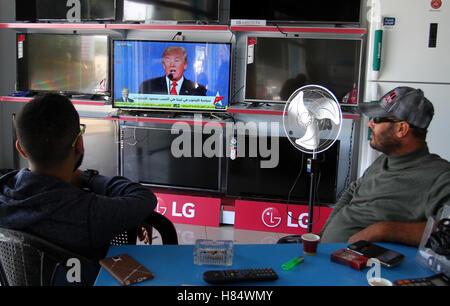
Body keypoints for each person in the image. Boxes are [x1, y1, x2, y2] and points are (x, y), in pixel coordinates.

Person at [0, 93, 157, 285]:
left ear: (21, 149)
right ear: (80, 144)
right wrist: (86, 177)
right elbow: (144, 198)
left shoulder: (4, 190)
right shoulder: (89, 213)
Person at [320, 87, 450, 246]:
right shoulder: (384, 160)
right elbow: (351, 192)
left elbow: (446, 232)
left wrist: (384, 230)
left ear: (401, 129)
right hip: (326, 252)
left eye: (378, 119)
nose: (369, 124)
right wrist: (323, 233)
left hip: (363, 268)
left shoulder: (440, 177)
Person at [139, 46, 207, 96]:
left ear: (185, 64)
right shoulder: (147, 86)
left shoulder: (198, 90)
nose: (172, 65)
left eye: (176, 60)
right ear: (163, 65)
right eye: (168, 60)